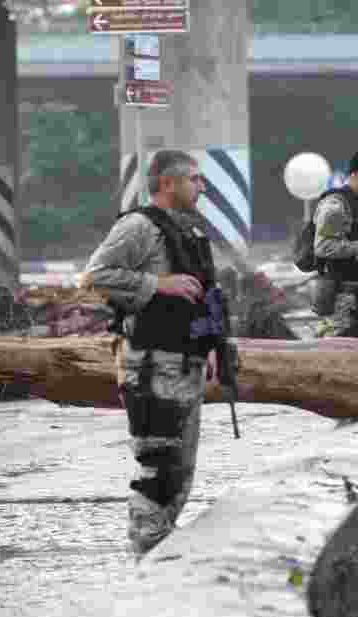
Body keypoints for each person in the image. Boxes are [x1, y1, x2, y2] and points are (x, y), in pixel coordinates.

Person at [80, 149, 225, 557]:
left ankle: (159, 552)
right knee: (158, 470)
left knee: (180, 472)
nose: (202, 187)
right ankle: (145, 556)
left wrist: (211, 346)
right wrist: (156, 285)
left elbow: (203, 297)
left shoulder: (189, 232)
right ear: (168, 183)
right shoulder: (140, 227)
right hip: (151, 365)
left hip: (185, 363)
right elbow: (94, 277)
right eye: (194, 179)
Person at [311, 147, 358, 338]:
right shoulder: (335, 205)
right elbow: (322, 247)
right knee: (338, 357)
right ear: (355, 173)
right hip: (341, 302)